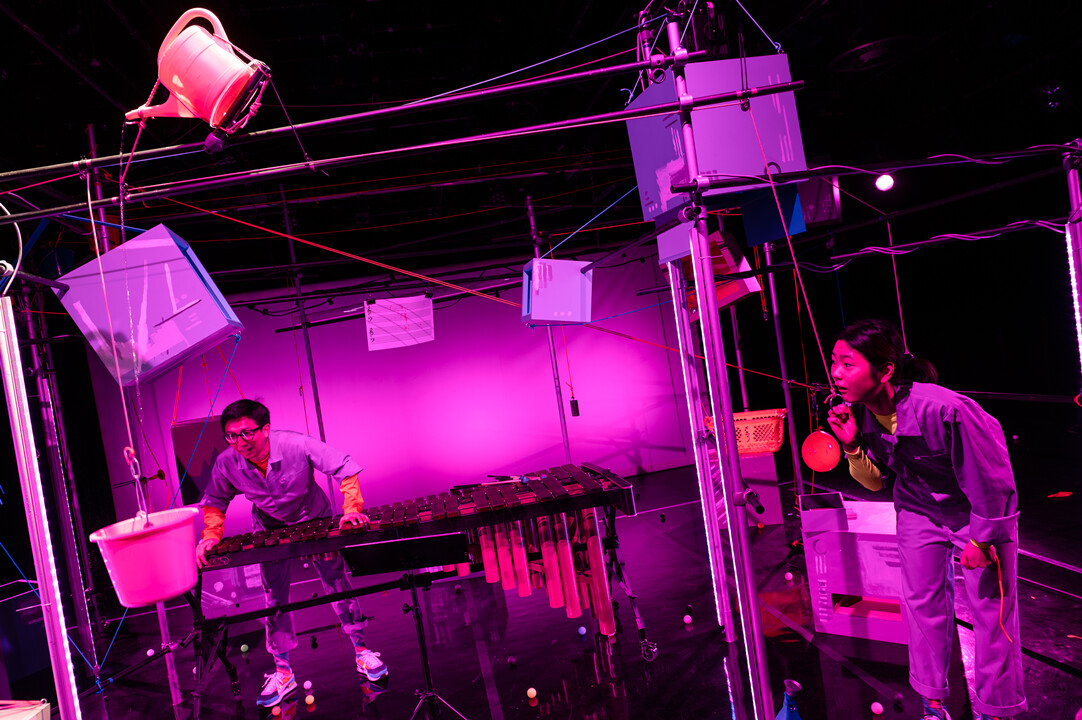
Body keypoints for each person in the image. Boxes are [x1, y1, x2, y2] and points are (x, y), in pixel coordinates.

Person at [825, 319, 1026, 720]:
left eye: (848, 363)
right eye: (834, 362)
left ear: (884, 371)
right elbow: (876, 480)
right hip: (918, 509)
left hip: (975, 511)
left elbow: (993, 477)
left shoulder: (945, 408)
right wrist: (851, 446)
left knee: (992, 608)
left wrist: (982, 538)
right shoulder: (863, 415)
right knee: (921, 605)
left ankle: (996, 709)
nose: (836, 373)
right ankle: (932, 703)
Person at [195, 399, 388, 708]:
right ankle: (283, 671)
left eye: (246, 433)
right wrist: (210, 536)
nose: (239, 442)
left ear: (265, 429)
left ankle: (362, 650)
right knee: (274, 596)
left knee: (336, 583)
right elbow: (215, 500)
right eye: (231, 436)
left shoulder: (296, 444)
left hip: (314, 517)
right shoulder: (226, 462)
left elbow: (344, 466)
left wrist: (351, 509)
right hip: (269, 526)